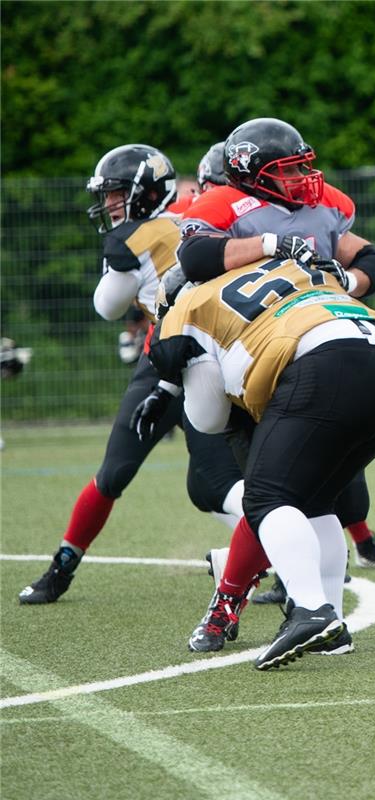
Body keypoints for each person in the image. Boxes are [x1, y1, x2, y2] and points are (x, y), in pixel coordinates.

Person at [175, 118, 375, 652]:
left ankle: (297, 611)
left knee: (284, 494)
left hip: (299, 352)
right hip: (245, 355)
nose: (304, 176)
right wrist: (269, 243)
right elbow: (193, 260)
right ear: (250, 176)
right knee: (288, 494)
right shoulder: (226, 208)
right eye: (289, 169)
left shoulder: (325, 208)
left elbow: (371, 260)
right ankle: (280, 610)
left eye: (304, 163)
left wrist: (346, 280)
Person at [138, 254, 375, 670]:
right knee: (320, 499)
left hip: (324, 363)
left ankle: (309, 610)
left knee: (265, 498)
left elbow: (209, 418)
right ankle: (331, 625)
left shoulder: (186, 306)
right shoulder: (286, 271)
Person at [17, 144, 246, 606]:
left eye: (118, 194)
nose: (110, 204)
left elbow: (107, 305)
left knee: (116, 474)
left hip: (167, 359)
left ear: (144, 193)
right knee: (220, 484)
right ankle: (284, 550)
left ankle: (62, 568)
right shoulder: (191, 218)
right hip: (215, 357)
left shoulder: (136, 237)